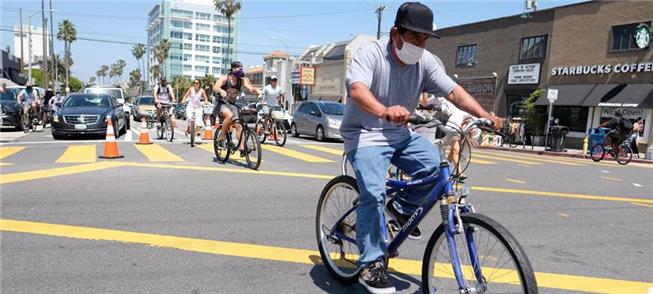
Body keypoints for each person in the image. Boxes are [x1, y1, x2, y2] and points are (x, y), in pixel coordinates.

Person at [341, 3, 503, 293]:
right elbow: (357, 90)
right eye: (414, 37)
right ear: (395, 33)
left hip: (401, 134)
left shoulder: (425, 62)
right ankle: (371, 263)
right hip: (366, 134)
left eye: (424, 38)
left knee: (438, 170)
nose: (419, 44)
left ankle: (402, 210)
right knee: (374, 194)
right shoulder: (371, 54)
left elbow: (454, 92)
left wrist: (486, 116)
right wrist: (383, 110)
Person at [212, 61, 260, 157]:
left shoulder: (241, 80)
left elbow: (250, 88)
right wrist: (221, 90)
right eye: (239, 68)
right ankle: (221, 139)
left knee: (238, 126)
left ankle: (242, 148)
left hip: (232, 105)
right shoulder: (225, 78)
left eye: (241, 68)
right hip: (221, 104)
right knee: (229, 116)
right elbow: (215, 87)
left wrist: (258, 91)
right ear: (233, 69)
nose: (241, 70)